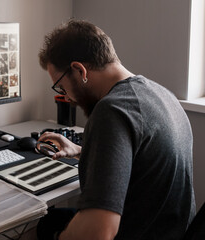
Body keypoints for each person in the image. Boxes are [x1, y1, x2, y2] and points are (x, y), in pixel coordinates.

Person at [36, 19, 196, 240]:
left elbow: (99, 232)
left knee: (48, 227)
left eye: (61, 87)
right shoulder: (162, 94)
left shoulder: (111, 110)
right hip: (169, 229)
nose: (67, 97)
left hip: (137, 232)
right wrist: (83, 150)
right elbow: (144, 159)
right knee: (52, 220)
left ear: (79, 70)